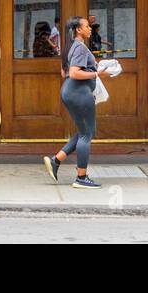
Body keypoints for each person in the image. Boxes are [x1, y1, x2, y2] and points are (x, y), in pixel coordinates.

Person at [43, 16, 115, 189]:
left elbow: (64, 73)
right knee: (86, 134)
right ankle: (81, 177)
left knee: (85, 131)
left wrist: (92, 69)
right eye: (87, 26)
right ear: (78, 30)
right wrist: (98, 74)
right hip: (79, 93)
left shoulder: (70, 47)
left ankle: (56, 160)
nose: (90, 28)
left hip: (70, 92)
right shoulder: (80, 48)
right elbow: (74, 73)